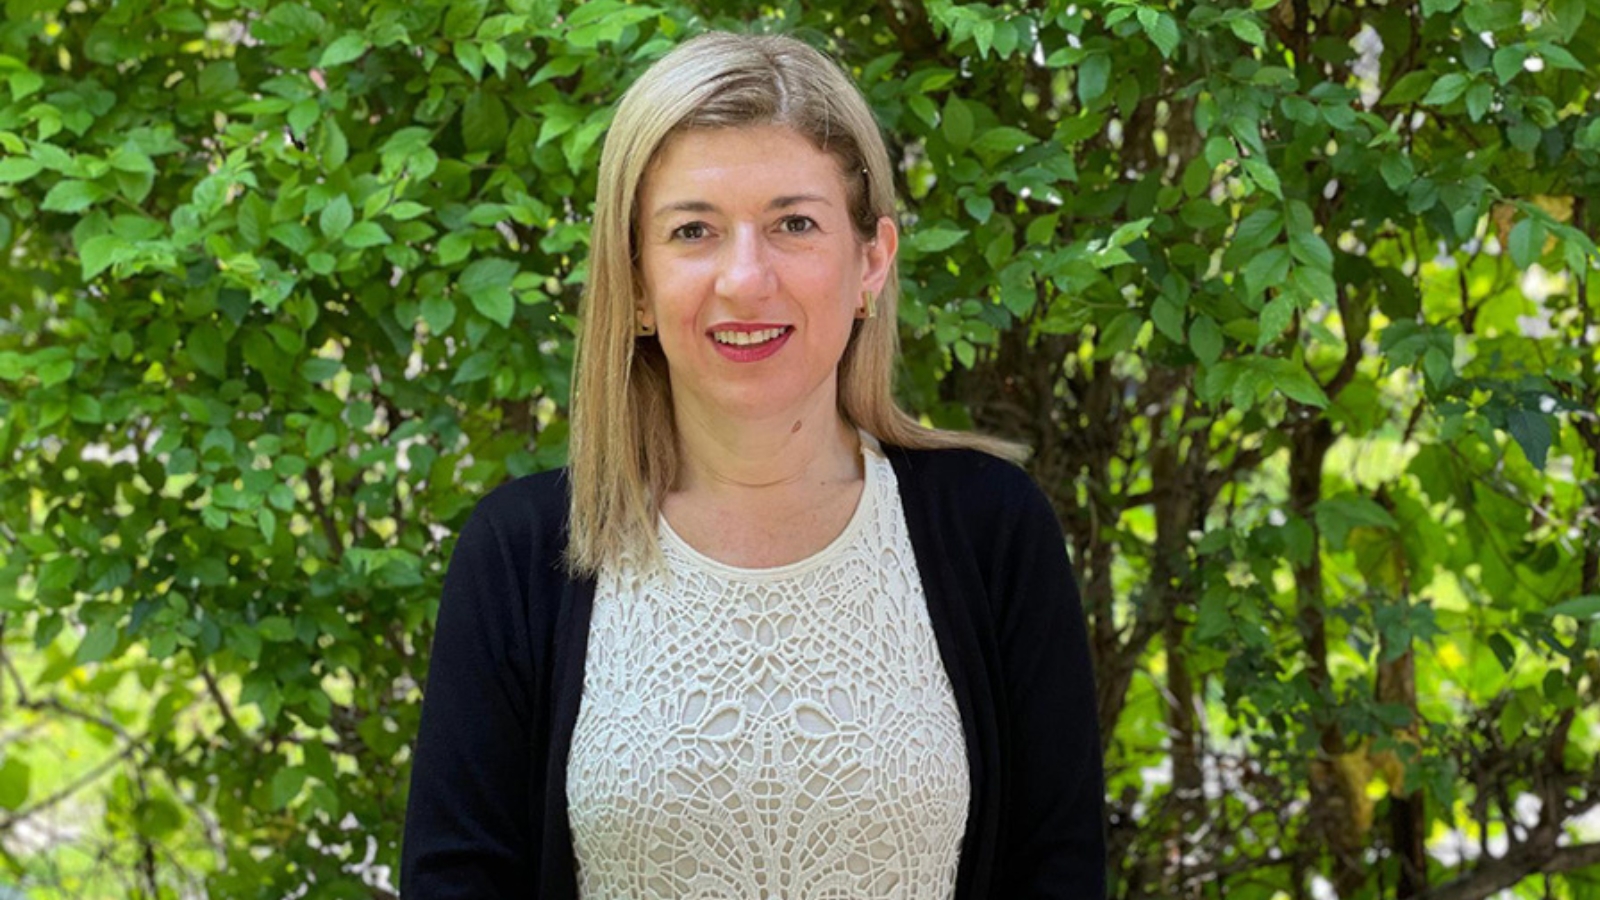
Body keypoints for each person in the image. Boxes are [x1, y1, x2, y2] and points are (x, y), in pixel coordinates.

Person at [400, 30, 1105, 900]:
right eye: (693, 230)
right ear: (637, 280)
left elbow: (1058, 872)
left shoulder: (992, 531)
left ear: (870, 262)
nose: (746, 277)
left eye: (793, 224)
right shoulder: (521, 555)